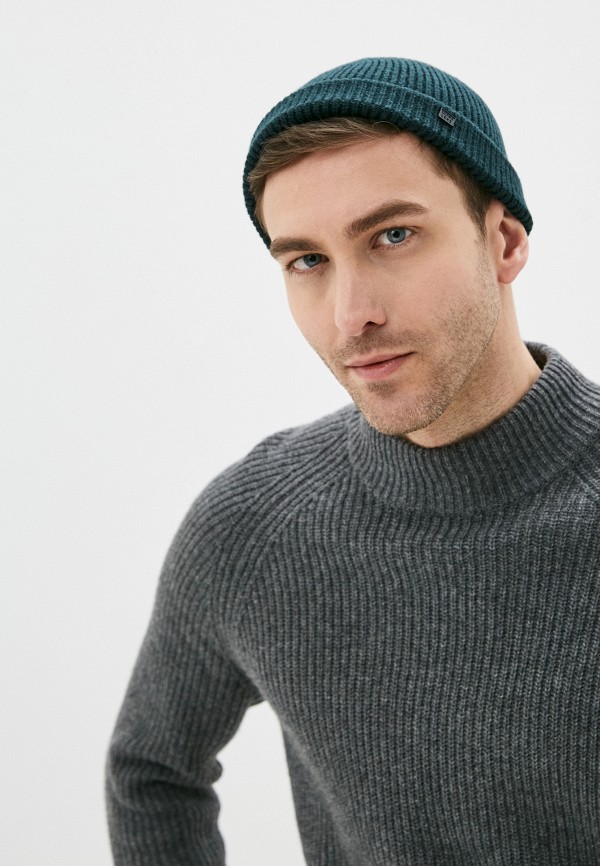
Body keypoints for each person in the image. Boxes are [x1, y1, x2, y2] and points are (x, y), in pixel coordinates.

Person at [105, 58, 600, 865]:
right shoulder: (254, 525)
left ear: (504, 241)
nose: (351, 315)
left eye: (393, 236)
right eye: (307, 260)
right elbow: (152, 770)